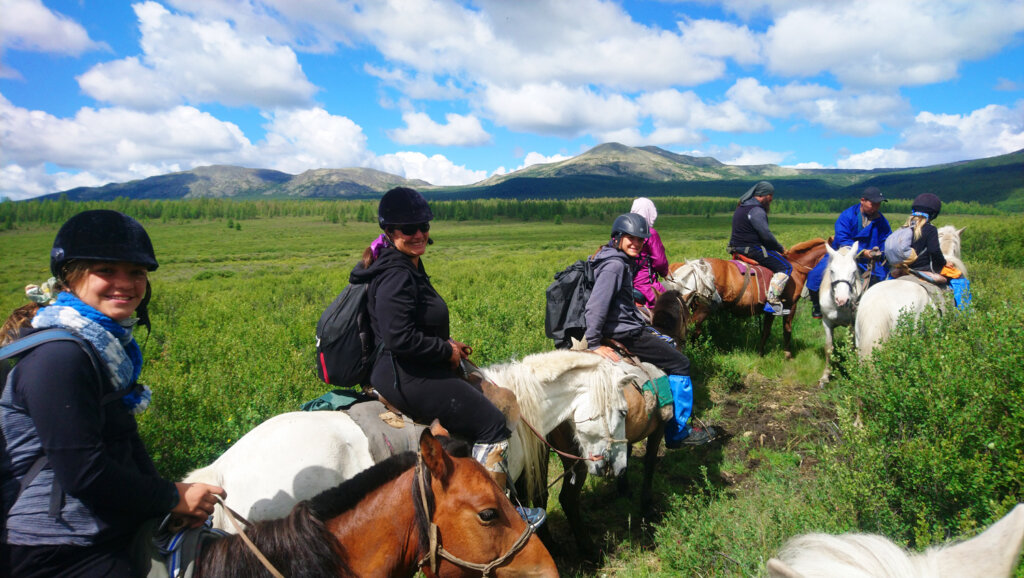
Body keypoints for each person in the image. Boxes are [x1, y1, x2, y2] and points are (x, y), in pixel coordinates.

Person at [0, 210, 225, 578]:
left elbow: (125, 439)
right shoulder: (60, 357)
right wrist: (172, 496)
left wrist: (167, 506)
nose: (126, 283)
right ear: (69, 278)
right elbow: (84, 472)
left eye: (136, 272)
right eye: (106, 270)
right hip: (56, 547)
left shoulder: (102, 347)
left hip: (101, 525)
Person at [349, 187, 545, 525]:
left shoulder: (405, 263)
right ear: (390, 231)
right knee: (493, 424)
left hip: (405, 366)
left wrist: (446, 342)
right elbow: (398, 338)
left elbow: (410, 323)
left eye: (423, 226)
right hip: (404, 373)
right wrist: (445, 350)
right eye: (409, 229)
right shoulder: (397, 273)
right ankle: (495, 516)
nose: (419, 234)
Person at [585, 213, 716, 449]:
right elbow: (597, 305)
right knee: (680, 363)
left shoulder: (611, 258)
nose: (636, 243)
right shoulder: (615, 265)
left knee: (666, 339)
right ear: (617, 237)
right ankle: (678, 433)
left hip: (626, 326)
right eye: (630, 238)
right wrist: (594, 344)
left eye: (640, 240)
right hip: (627, 334)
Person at [806, 186, 893, 318]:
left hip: (868, 260)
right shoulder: (847, 215)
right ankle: (817, 305)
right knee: (815, 275)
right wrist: (862, 251)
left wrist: (880, 252)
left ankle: (873, 311)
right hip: (841, 254)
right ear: (862, 200)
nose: (876, 207)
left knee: (882, 278)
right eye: (873, 203)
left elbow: (886, 239)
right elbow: (842, 238)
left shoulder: (882, 221)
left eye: (878, 204)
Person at [728, 181, 792, 315]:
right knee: (785, 267)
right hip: (752, 249)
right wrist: (780, 249)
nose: (772, 199)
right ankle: (772, 302)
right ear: (764, 195)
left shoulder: (742, 207)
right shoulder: (756, 210)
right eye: (771, 195)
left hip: (737, 249)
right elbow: (766, 236)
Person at [895, 192, 947, 280]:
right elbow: (934, 250)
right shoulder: (931, 229)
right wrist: (943, 263)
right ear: (933, 215)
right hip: (923, 270)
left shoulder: (903, 228)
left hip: (900, 270)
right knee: (959, 277)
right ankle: (963, 294)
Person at [629, 197, 669, 310]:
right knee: (671, 309)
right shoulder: (650, 233)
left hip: (623, 285)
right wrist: (665, 273)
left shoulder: (623, 231)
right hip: (646, 288)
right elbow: (660, 262)